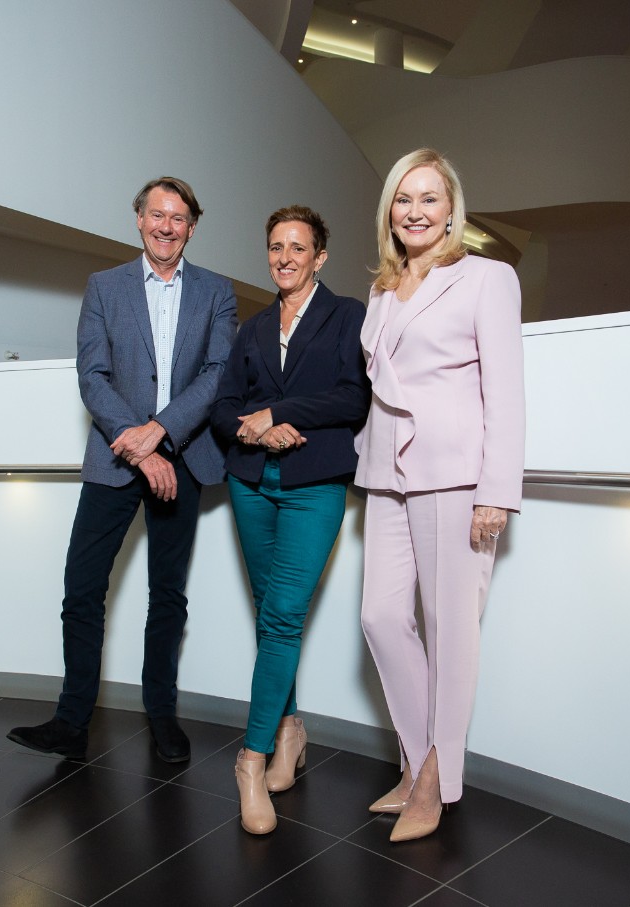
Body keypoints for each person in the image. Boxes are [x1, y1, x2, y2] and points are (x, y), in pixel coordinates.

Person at [9, 177, 238, 763]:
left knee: (168, 595)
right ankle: (71, 719)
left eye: (179, 217)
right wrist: (137, 448)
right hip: (116, 460)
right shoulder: (104, 288)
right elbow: (92, 375)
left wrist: (160, 433)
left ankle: (162, 717)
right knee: (81, 589)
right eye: (157, 214)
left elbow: (216, 375)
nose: (167, 226)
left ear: (192, 227)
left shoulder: (217, 292)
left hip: (183, 458)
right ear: (138, 219)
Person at [357, 149, 525, 842]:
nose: (416, 211)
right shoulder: (381, 288)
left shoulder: (487, 277)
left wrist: (497, 489)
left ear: (452, 209)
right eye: (403, 198)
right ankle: (420, 753)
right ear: (389, 213)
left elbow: (506, 393)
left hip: (456, 473)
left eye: (429, 198)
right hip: (386, 471)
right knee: (380, 617)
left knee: (451, 625)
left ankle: (434, 777)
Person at [211, 205, 370, 834]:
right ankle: (290, 731)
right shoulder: (251, 330)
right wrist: (254, 430)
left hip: (315, 485)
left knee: (281, 618)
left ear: (319, 257)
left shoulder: (346, 314)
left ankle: (249, 762)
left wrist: (276, 413)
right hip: (251, 484)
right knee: (268, 611)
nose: (284, 257)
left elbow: (352, 396)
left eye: (297, 247)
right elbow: (225, 407)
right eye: (275, 246)